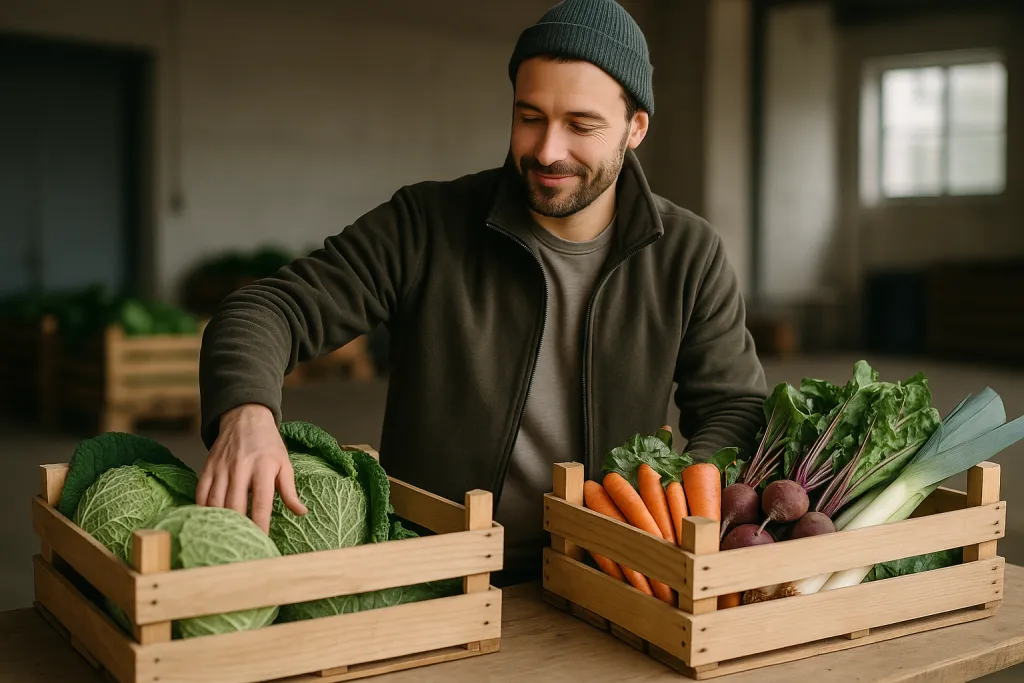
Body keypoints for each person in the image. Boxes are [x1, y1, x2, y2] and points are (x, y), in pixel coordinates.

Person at [195, 0, 768, 585]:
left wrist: (668, 507)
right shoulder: (426, 225)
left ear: (635, 128)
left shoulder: (688, 254)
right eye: (530, 117)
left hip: (608, 581)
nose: (547, 150)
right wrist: (246, 411)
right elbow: (268, 308)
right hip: (434, 572)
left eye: (581, 125)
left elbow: (734, 406)